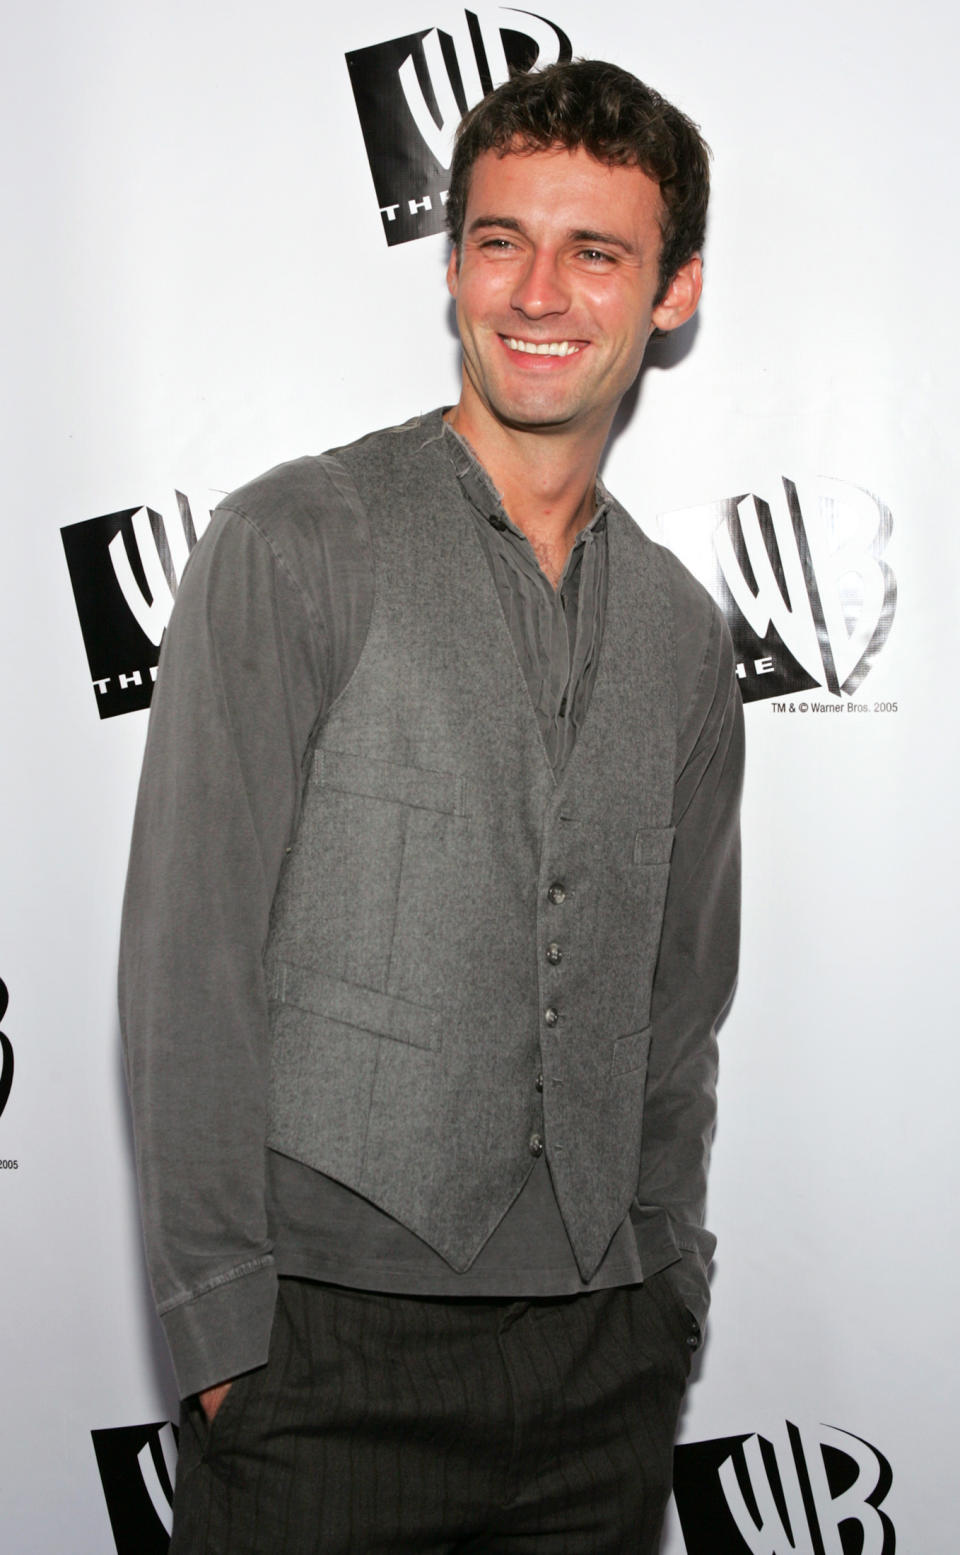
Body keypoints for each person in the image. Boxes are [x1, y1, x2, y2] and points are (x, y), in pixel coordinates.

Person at [120, 58, 744, 1555]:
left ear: (672, 293)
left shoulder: (684, 627)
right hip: (324, 1366)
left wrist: (668, 1289)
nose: (540, 291)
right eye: (499, 241)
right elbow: (190, 971)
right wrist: (222, 1346)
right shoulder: (293, 540)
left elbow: (681, 999)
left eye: (596, 251)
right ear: (453, 265)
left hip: (603, 1367)